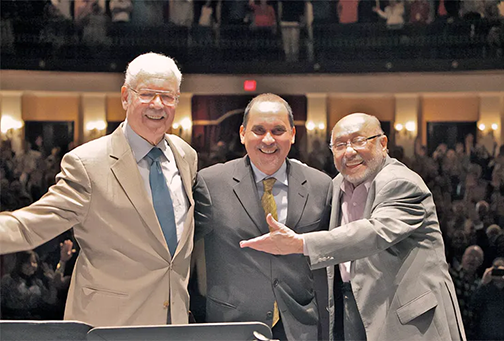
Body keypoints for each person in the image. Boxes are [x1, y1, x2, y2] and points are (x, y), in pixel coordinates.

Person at [0, 52, 198, 327]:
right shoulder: (87, 163)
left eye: (167, 96)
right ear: (125, 96)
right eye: (147, 94)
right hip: (109, 323)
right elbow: (31, 225)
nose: (158, 104)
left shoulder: (185, 155)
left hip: (173, 321)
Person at [241, 113, 466, 341]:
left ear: (383, 143)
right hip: (349, 307)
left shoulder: (401, 182)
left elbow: (375, 232)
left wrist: (302, 243)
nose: (349, 152)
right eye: (340, 145)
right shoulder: (337, 184)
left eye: (359, 141)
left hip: (407, 320)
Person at [193, 93, 332, 340]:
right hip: (233, 326)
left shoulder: (320, 185)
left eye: (278, 130)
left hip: (300, 326)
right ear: (242, 133)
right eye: (258, 130)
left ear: (293, 134)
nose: (268, 140)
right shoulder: (211, 182)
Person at [470, 257, 504, 340]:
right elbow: (473, 306)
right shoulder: (483, 287)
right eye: (495, 269)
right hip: (485, 336)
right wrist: (483, 283)